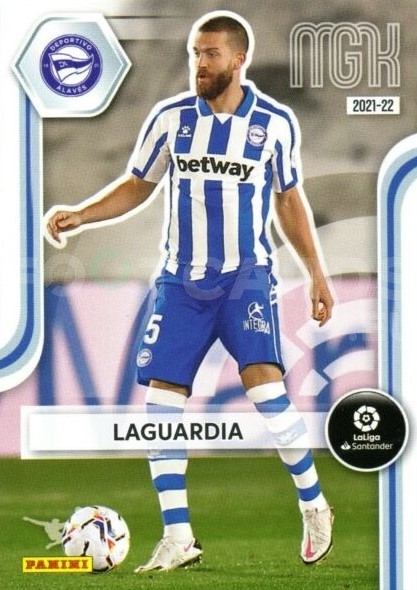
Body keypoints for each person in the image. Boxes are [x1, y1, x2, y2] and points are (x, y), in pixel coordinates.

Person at [46, 10, 334, 573]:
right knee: (162, 402)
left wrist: (317, 274)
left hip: (246, 278)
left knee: (266, 391)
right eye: (195, 53)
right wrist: (82, 214)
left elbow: (288, 200)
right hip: (181, 282)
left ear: (238, 59)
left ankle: (314, 504)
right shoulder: (171, 119)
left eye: (210, 54)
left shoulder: (274, 123)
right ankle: (178, 536)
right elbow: (139, 184)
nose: (199, 63)